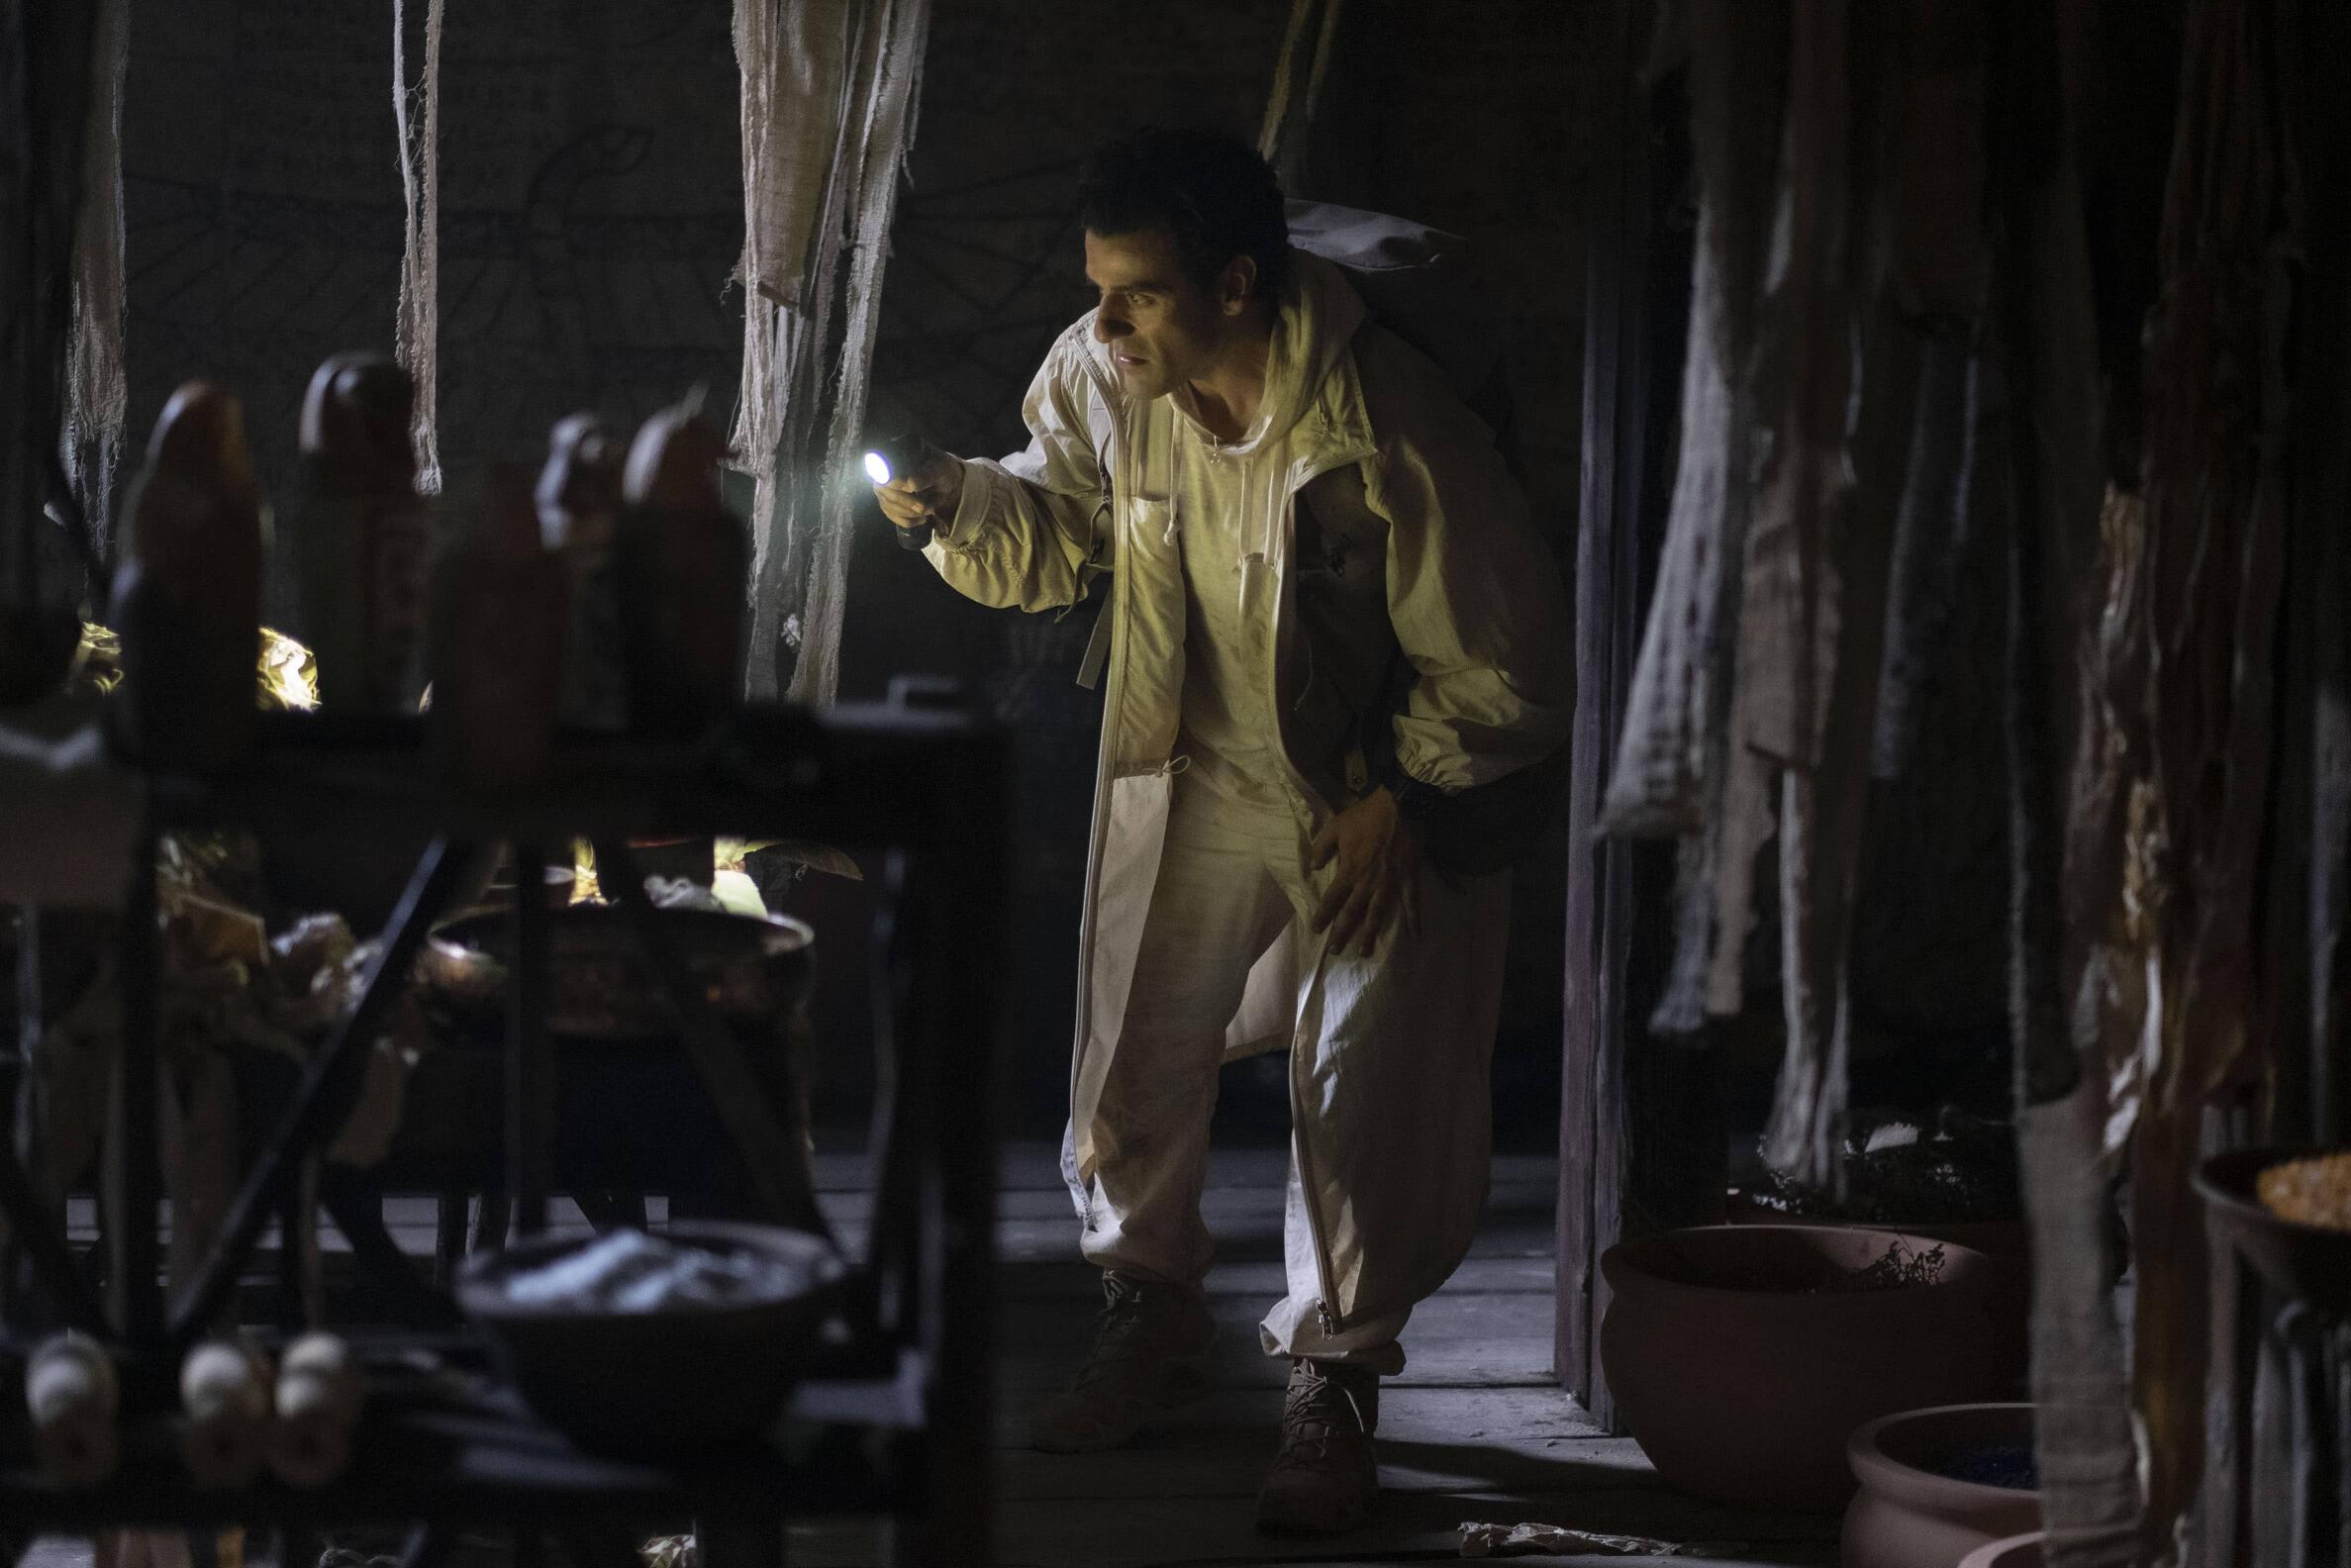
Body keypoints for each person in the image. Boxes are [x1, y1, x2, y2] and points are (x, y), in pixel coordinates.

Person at [874, 126, 1572, 1534]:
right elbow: (1057, 534)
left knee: (1362, 1080)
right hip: (1187, 767)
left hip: (1358, 796)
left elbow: (1507, 655)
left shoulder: (1379, 413)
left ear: (1238, 285)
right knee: (1133, 1048)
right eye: (1098, 291)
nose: (1107, 323)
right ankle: (1151, 1313)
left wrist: (1406, 795)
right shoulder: (1105, 376)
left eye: (1138, 294)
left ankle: (1336, 1378)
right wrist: (957, 501)